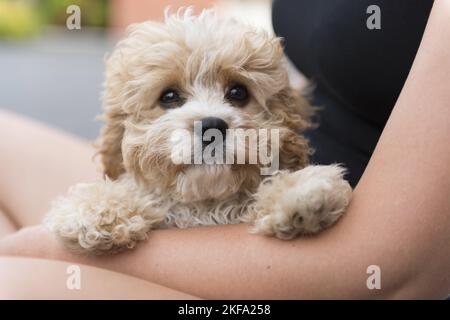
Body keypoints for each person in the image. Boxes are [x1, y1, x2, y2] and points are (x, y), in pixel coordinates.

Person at [0, 0, 449, 299]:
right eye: (171, 97)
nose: (211, 119)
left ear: (283, 122)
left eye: (237, 94)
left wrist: (51, 252)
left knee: (9, 281)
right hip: (172, 198)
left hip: (301, 270)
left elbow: (398, 270)